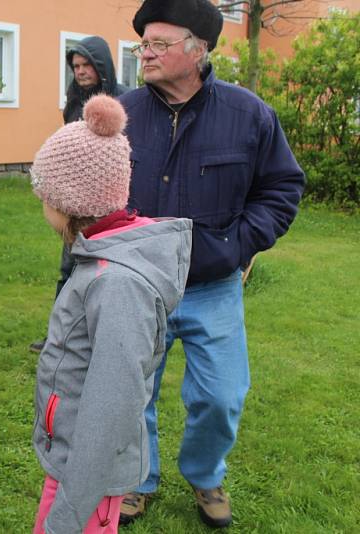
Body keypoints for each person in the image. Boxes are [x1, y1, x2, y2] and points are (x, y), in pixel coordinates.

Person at [117, 0, 305, 528]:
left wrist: (238, 245)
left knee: (222, 397)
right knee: (132, 392)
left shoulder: (249, 115)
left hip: (212, 286)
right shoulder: (120, 113)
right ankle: (136, 479)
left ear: (198, 50)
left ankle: (205, 475)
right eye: (143, 44)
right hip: (138, 284)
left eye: (158, 44)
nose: (145, 53)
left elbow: (282, 188)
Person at [30, 94, 192, 534]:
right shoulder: (99, 260)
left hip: (85, 487)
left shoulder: (117, 284)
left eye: (43, 193)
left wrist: (67, 517)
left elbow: (110, 413)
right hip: (74, 471)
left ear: (68, 202)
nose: (41, 203)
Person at [30, 36, 129, 354]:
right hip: (73, 203)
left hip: (106, 204)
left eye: (87, 65)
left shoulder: (125, 99)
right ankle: (57, 336)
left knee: (104, 272)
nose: (81, 71)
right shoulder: (74, 100)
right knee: (68, 268)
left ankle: (99, 338)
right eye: (76, 66)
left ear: (102, 66)